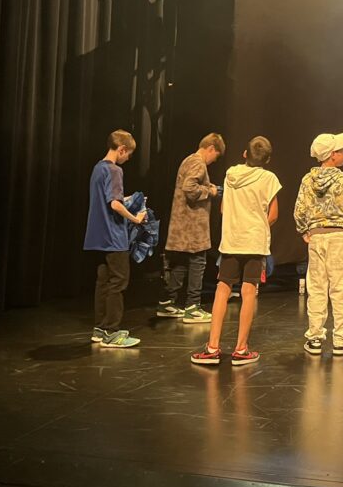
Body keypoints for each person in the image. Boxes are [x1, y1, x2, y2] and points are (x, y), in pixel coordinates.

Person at [191, 137, 281, 366]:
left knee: (222, 290)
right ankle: (241, 349)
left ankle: (212, 347)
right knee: (248, 292)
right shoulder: (269, 178)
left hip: (231, 240)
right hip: (254, 242)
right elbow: (273, 215)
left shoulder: (230, 174)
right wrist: (257, 227)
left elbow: (223, 208)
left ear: (244, 154)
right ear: (267, 160)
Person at [294, 132, 343, 356]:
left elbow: (299, 211)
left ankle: (315, 338)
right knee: (341, 289)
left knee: (316, 288)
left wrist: (304, 230)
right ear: (332, 155)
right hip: (340, 238)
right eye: (341, 150)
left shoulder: (308, 180)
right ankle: (341, 341)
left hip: (317, 238)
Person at [84, 130, 147, 349]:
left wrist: (127, 199)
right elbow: (114, 204)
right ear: (121, 149)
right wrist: (136, 219)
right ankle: (112, 332)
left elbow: (108, 199)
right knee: (119, 282)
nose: (128, 158)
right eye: (128, 154)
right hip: (114, 236)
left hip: (98, 236)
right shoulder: (114, 170)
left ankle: (100, 328)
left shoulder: (98, 168)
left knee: (103, 282)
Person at [156, 133, 225, 324]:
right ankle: (193, 307)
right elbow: (189, 188)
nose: (214, 161)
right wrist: (210, 191)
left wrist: (208, 185)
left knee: (180, 263)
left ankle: (167, 302)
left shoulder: (188, 159)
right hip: (192, 226)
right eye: (216, 156)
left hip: (182, 225)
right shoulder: (198, 163)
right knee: (198, 262)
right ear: (211, 148)